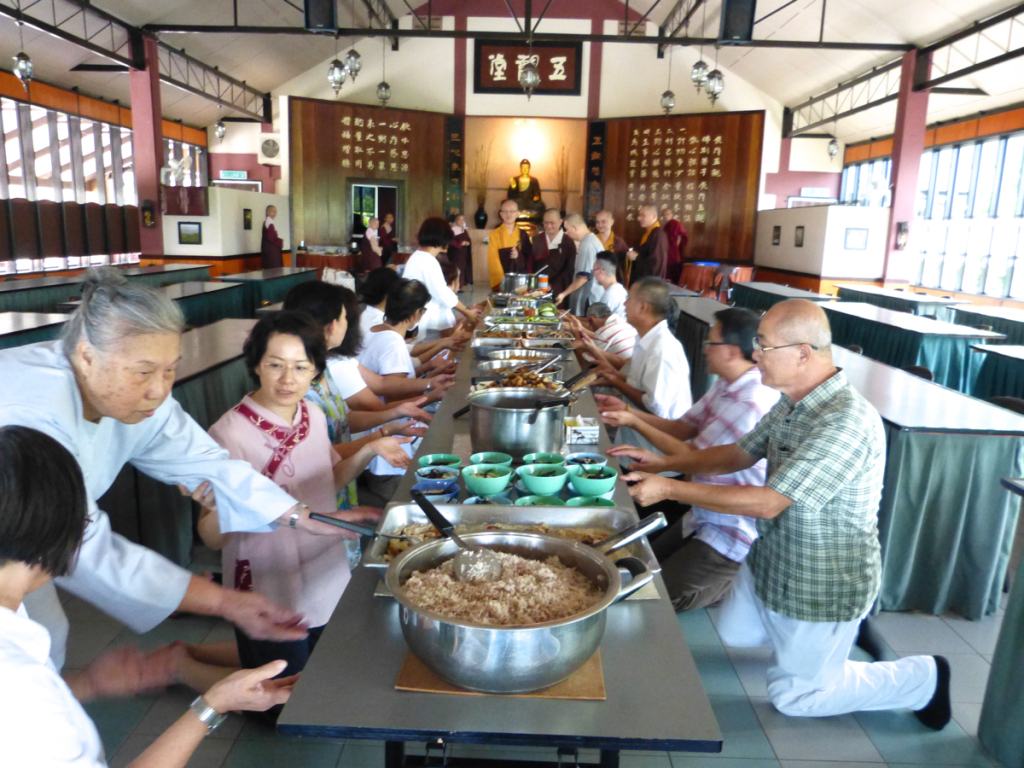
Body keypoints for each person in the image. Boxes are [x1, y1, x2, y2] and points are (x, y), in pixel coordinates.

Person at [612, 300, 950, 726]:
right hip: (774, 556)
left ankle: (923, 677)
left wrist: (668, 487)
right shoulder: (792, 402)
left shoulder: (844, 422)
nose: (755, 355)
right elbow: (737, 454)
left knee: (797, 698)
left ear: (803, 353)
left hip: (820, 578)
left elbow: (769, 500)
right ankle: (820, 647)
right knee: (735, 631)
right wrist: (662, 463)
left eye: (764, 346)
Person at [0, 268, 351, 670]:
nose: (160, 389)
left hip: (28, 538)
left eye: (170, 370)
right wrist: (221, 601)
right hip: (15, 533)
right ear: (86, 355)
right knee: (29, 643)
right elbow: (84, 543)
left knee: (47, 633)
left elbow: (207, 462)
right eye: (145, 372)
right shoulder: (34, 415)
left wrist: (298, 516)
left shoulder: (129, 384)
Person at [0, 426, 299, 768]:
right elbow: (22, 705)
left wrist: (86, 685)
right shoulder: (19, 684)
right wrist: (214, 704)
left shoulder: (16, 635)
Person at [204, 312, 389, 680]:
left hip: (324, 573)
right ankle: (183, 665)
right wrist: (227, 506)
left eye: (301, 367)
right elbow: (210, 537)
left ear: (316, 370)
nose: (288, 379)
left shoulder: (313, 415)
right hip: (268, 584)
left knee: (322, 677)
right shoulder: (228, 434)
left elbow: (327, 483)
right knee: (279, 694)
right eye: (275, 365)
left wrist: (370, 451)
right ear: (256, 365)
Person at [601, 308, 779, 611]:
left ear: (733, 351)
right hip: (701, 513)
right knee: (635, 572)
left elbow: (693, 457)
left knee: (650, 602)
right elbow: (682, 428)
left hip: (730, 530)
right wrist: (628, 414)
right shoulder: (726, 384)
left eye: (711, 343)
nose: (704, 350)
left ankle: (735, 586)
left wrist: (638, 426)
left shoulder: (750, 402)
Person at [284, 281, 418, 567]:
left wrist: (392, 418)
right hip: (317, 494)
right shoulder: (297, 386)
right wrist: (375, 441)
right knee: (325, 565)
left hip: (343, 481)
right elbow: (325, 452)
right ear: (332, 325)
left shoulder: (322, 369)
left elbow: (341, 421)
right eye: (346, 317)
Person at [357, 279, 436, 506]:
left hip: (372, 439)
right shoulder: (394, 343)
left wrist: (429, 370)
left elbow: (396, 380)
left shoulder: (375, 331)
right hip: (388, 453)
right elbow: (396, 399)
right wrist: (433, 391)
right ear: (416, 314)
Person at [594, 277, 691, 456]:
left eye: (629, 298)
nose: (624, 303)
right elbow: (638, 384)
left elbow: (655, 407)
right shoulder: (644, 340)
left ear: (643, 307)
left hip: (653, 454)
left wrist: (616, 381)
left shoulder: (662, 350)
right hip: (633, 442)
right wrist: (613, 375)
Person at [401, 217, 479, 339]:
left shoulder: (418, 256)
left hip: (421, 316)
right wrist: (466, 311)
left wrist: (467, 310)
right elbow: (442, 294)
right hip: (425, 320)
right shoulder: (427, 260)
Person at [557, 213, 604, 315]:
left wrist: (563, 294)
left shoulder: (588, 244)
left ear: (575, 228)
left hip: (589, 298)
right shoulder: (589, 240)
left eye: (567, 229)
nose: (566, 233)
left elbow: (584, 277)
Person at [572, 302, 639, 369]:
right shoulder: (623, 322)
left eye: (590, 322)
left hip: (622, 371)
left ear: (593, 317)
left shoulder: (604, 332)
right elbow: (601, 337)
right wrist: (581, 329)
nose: (591, 328)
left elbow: (584, 365)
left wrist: (576, 334)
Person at [528, 208, 576, 299]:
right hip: (538, 288)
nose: (548, 226)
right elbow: (530, 264)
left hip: (560, 289)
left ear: (560, 222)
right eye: (545, 223)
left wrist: (553, 285)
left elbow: (570, 269)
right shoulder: (537, 240)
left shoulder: (568, 242)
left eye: (552, 223)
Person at [487, 199, 532, 290]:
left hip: (520, 280)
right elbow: (493, 259)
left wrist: (518, 256)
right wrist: (501, 282)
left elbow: (529, 257)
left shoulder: (523, 235)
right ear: (501, 214)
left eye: (512, 211)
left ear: (517, 213)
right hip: (502, 280)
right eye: (505, 211)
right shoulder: (494, 234)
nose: (508, 214)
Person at [627, 205, 669, 282]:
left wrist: (637, 257)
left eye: (643, 215)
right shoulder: (649, 233)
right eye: (639, 215)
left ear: (654, 216)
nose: (639, 218)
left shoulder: (658, 234)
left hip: (652, 283)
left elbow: (656, 264)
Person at [591, 253, 627, 318]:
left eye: (593, 270)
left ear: (600, 271)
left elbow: (597, 323)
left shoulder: (610, 296)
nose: (593, 274)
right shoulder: (620, 289)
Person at [594, 210, 629, 276]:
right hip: (595, 275)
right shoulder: (592, 240)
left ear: (612, 222)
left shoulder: (619, 242)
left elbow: (625, 263)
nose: (600, 225)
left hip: (612, 276)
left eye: (603, 222)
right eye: (597, 222)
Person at [660, 207, 689, 285]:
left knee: (673, 269)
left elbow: (680, 236)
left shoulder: (676, 224)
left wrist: (676, 247)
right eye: (664, 214)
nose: (665, 216)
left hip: (673, 251)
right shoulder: (665, 226)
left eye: (667, 214)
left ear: (672, 214)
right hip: (666, 250)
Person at [447, 212, 473, 289]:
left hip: (464, 254)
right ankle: (454, 286)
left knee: (462, 270)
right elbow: (451, 241)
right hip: (456, 255)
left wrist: (468, 243)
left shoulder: (464, 231)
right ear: (456, 221)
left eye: (463, 220)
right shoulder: (453, 230)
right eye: (459, 220)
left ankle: (459, 286)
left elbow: (468, 240)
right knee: (456, 270)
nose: (461, 222)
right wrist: (460, 243)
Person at [261, 205, 284, 270]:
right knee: (273, 270)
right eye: (272, 211)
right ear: (267, 212)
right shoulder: (269, 222)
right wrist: (280, 241)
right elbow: (271, 237)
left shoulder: (268, 222)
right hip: (271, 252)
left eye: (275, 211)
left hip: (268, 250)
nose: (274, 213)